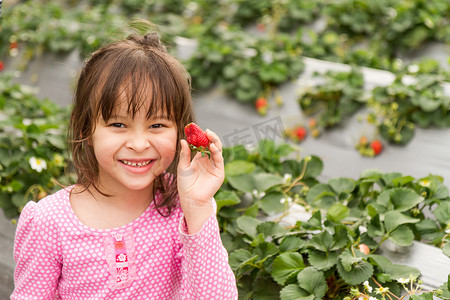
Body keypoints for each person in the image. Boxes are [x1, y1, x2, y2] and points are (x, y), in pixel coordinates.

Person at [11, 24, 238, 299]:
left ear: (180, 129)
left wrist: (198, 206)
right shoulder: (48, 223)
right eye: (118, 124)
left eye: (157, 125)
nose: (139, 144)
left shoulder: (182, 208)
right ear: (85, 129)